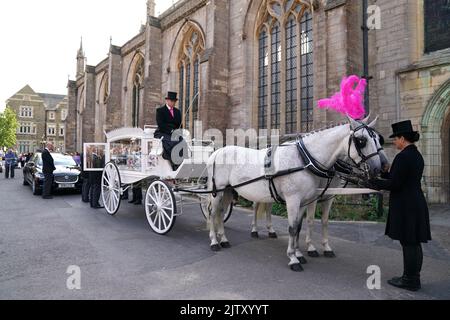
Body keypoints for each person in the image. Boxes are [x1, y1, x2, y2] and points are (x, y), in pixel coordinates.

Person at [367, 120, 431, 292]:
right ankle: (413, 277)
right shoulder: (415, 155)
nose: (394, 141)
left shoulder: (403, 156)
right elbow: (400, 178)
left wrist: (374, 182)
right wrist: (386, 173)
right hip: (415, 201)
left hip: (406, 205)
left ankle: (409, 280)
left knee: (408, 242)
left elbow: (395, 184)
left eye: (395, 138)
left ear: (402, 138)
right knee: (414, 242)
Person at [154, 91, 188, 170]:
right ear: (167, 100)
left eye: (174, 101)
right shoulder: (160, 111)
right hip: (162, 132)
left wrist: (179, 131)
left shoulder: (177, 112)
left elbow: (180, 124)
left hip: (175, 133)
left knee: (183, 142)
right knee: (172, 142)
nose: (173, 103)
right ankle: (173, 162)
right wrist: (171, 131)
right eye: (171, 101)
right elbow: (161, 125)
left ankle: (181, 162)